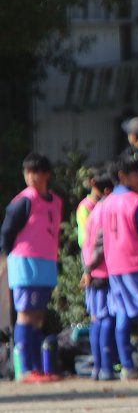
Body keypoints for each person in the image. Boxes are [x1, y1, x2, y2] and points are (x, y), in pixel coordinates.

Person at [1, 153, 63, 382]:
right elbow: (7, 232)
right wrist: (5, 257)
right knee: (26, 313)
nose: (30, 177)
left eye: (35, 171)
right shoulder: (23, 201)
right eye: (27, 172)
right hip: (25, 264)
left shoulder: (55, 201)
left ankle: (38, 368)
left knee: (38, 315)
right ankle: (25, 369)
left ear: (46, 174)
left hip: (46, 264)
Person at [98, 157, 138, 381]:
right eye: (136, 174)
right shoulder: (135, 201)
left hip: (114, 265)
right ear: (123, 175)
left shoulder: (106, 203)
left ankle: (127, 366)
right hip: (136, 263)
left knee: (121, 313)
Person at [80, 171, 116, 380]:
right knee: (106, 317)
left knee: (96, 318)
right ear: (109, 191)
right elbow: (100, 244)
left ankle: (97, 367)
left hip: (92, 270)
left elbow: (86, 242)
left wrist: (87, 268)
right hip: (103, 270)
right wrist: (89, 267)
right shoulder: (105, 210)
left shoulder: (93, 211)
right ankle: (106, 367)